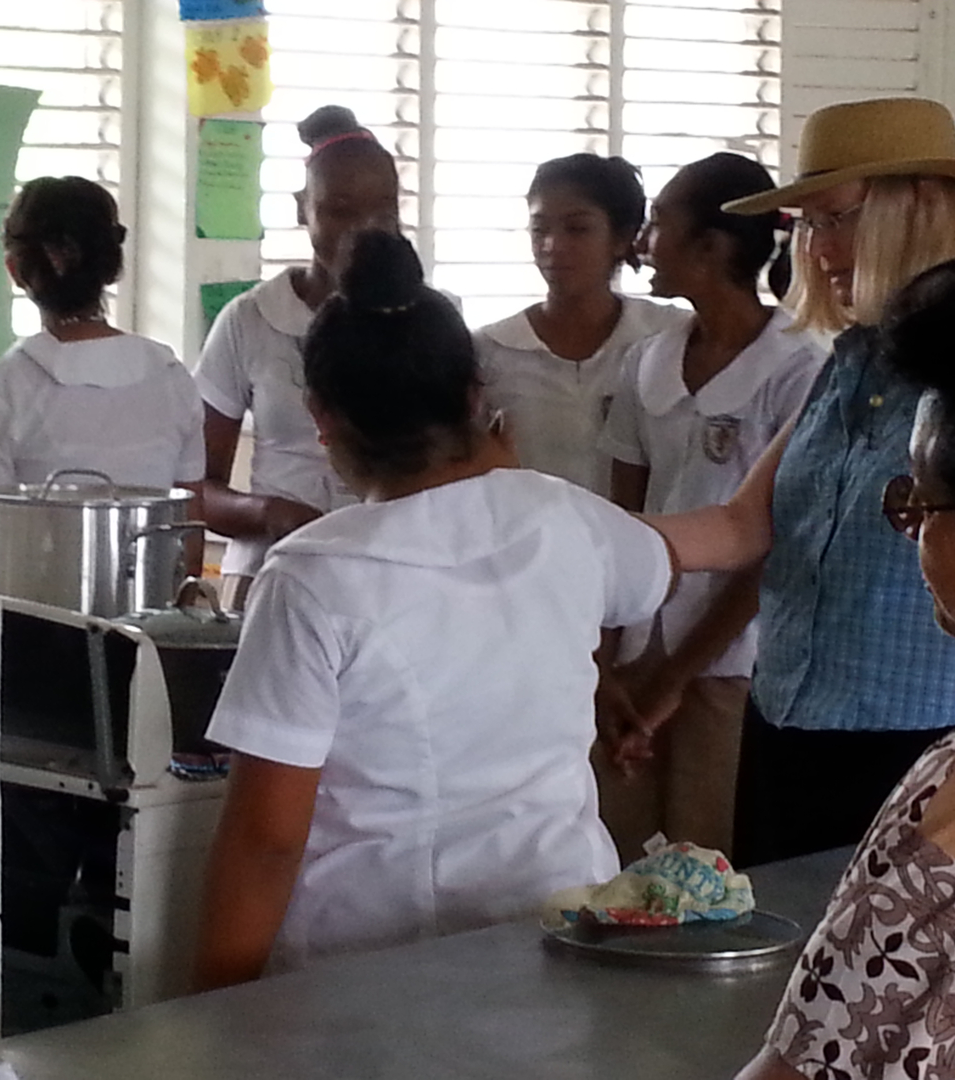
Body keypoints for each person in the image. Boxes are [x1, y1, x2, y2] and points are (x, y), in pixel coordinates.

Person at [190, 231, 676, 990]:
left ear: (322, 419)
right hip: (565, 937)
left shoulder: (316, 576)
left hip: (373, 964)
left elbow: (266, 840)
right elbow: (686, 554)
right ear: (477, 397)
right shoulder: (563, 515)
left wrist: (211, 1014)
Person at [647, 97, 955, 867]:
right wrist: (565, 528)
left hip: (922, 739)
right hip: (790, 721)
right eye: (805, 226)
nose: (813, 250)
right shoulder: (852, 361)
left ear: (914, 210)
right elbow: (743, 526)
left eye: (832, 220)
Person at [736, 257, 955, 1080]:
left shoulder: (949, 830)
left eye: (915, 503)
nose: (908, 530)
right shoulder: (841, 370)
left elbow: (801, 1064)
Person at [594, 153, 825, 861]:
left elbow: (777, 543)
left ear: (711, 246)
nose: (642, 242)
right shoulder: (649, 361)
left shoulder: (798, 364)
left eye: (659, 223)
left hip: (732, 661)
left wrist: (677, 675)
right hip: (637, 650)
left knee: (709, 861)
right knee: (617, 857)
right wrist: (604, 669)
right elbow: (620, 521)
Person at [0, 176, 204, 586]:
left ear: (15, 271)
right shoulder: (173, 379)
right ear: (112, 265)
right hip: (147, 622)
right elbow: (189, 535)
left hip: (32, 623)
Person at [195, 104, 401, 608]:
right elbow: (196, 488)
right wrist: (270, 513)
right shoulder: (250, 320)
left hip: (393, 576)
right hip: (271, 572)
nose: (364, 229)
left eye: (384, 209)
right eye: (339, 210)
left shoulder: (426, 319)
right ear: (300, 208)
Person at [473, 153, 685, 499]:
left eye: (577, 229)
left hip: (641, 544)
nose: (552, 246)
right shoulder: (490, 350)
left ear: (621, 238)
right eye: (540, 229)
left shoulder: (667, 336)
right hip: (528, 548)